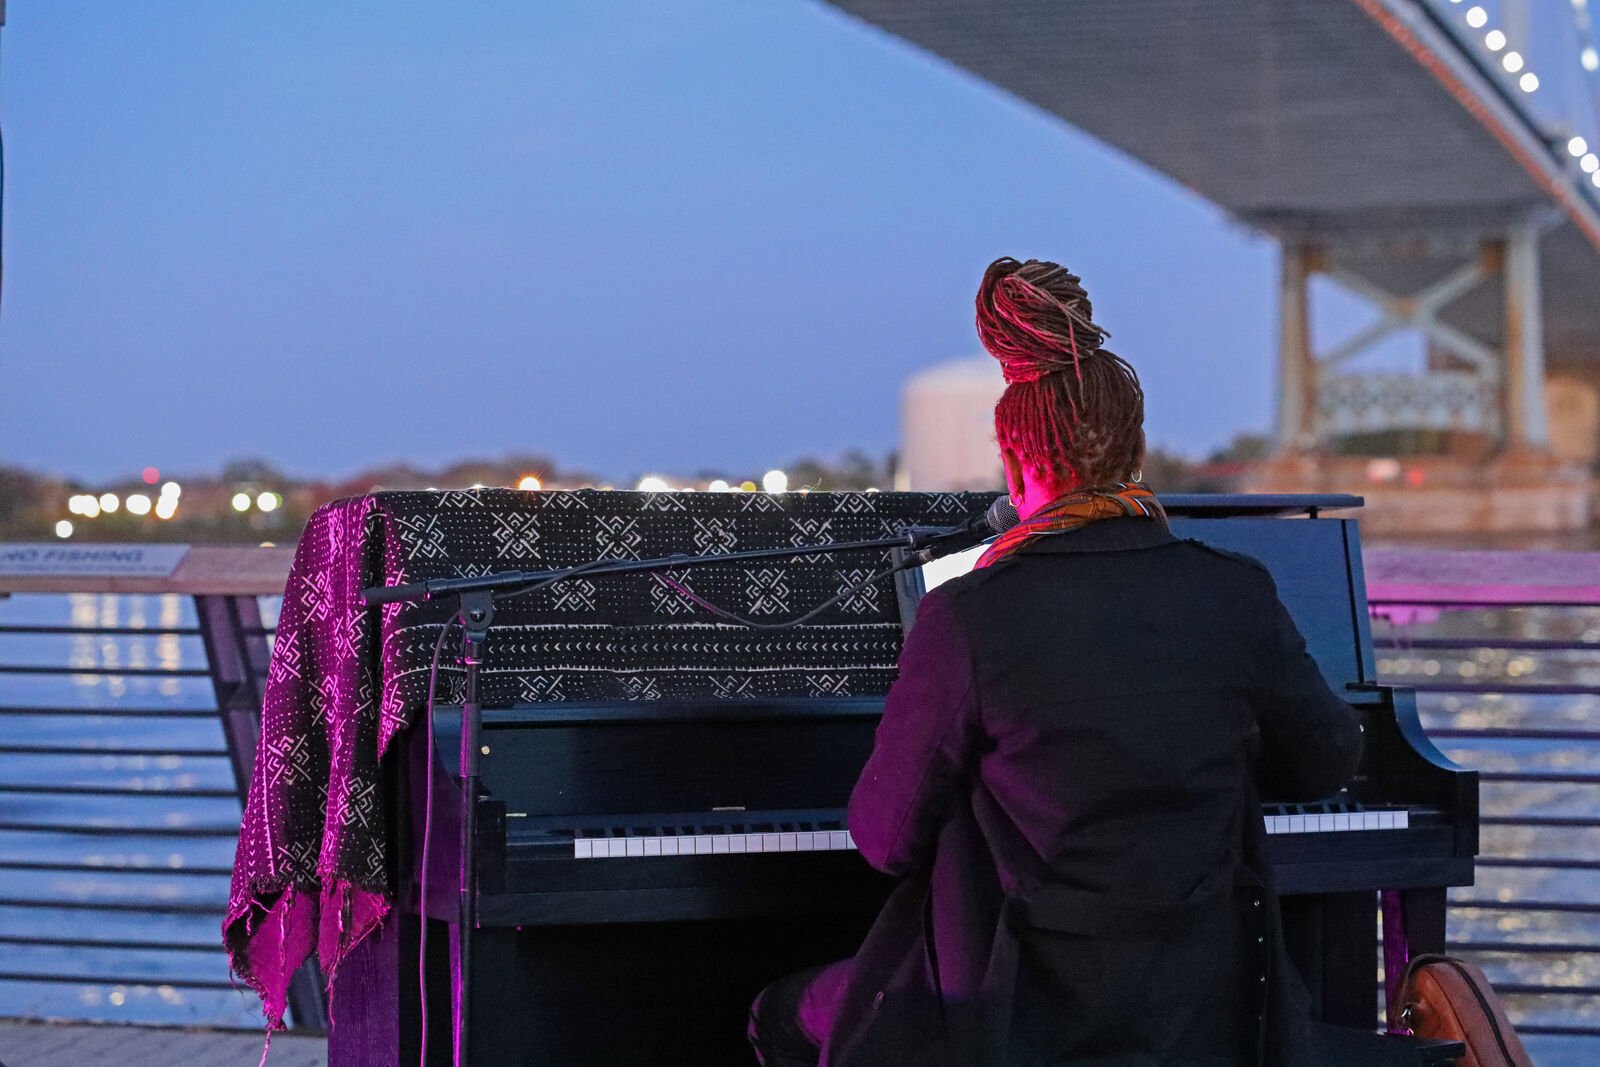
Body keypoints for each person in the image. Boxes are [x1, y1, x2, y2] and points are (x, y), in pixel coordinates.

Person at [747, 257, 1365, 1066]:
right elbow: (1328, 760)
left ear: (1016, 457)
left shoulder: (970, 612)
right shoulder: (1236, 593)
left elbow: (884, 839)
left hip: (1020, 1012)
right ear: (1136, 450)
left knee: (782, 1014)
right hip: (1204, 1005)